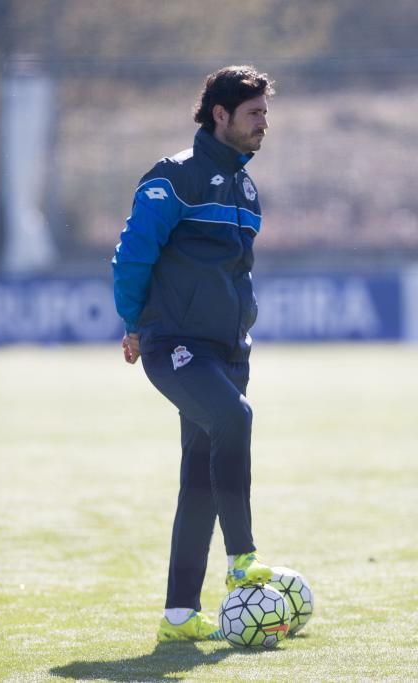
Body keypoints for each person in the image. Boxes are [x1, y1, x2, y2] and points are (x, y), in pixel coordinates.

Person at [111, 65, 276, 643]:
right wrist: (133, 322)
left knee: (199, 479)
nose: (264, 124)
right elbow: (133, 254)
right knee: (236, 418)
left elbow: (236, 275)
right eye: (254, 114)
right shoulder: (173, 177)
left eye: (265, 113)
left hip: (230, 353)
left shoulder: (247, 188)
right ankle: (242, 558)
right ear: (220, 114)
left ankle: (179, 615)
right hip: (176, 345)